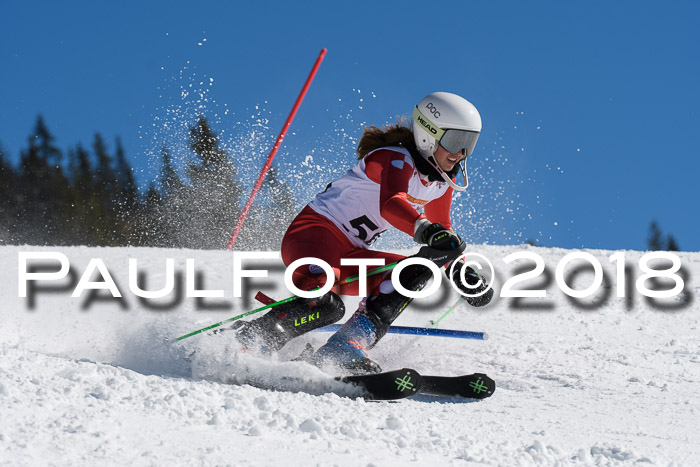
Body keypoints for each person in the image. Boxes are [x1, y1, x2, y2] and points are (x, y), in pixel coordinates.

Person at [232, 92, 494, 374]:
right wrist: (426, 230)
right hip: (313, 235)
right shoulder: (391, 158)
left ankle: (344, 348)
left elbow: (444, 233)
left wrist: (460, 274)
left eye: (469, 144)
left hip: (352, 252)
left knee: (412, 273)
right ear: (429, 134)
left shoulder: (441, 182)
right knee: (325, 305)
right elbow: (392, 203)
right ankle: (249, 340)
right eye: (456, 141)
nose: (460, 153)